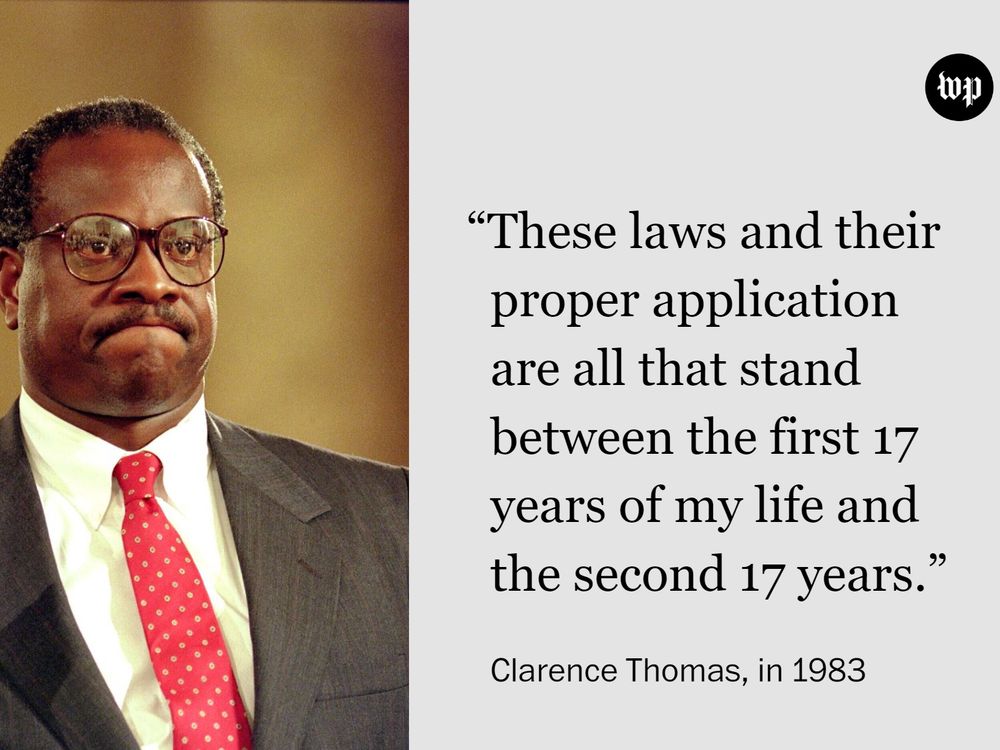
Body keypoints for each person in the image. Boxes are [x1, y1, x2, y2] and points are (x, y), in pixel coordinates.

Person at [0, 98, 407, 750]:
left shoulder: (397, 527)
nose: (153, 281)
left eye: (185, 244)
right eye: (100, 245)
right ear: (11, 285)